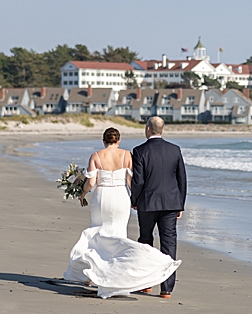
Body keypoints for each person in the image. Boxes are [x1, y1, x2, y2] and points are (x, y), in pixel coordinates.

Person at [64, 127, 181, 298]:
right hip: (120, 197)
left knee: (97, 232)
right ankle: (114, 278)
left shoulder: (96, 156)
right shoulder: (126, 155)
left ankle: (90, 273)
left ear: (104, 141)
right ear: (118, 141)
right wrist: (135, 200)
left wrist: (82, 194)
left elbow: (90, 182)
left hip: (102, 197)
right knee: (118, 235)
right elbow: (132, 181)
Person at [129, 116, 187, 299]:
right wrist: (180, 204)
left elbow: (138, 180)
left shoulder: (139, 151)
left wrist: (134, 200)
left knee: (146, 241)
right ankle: (166, 289)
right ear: (162, 130)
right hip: (170, 203)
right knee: (169, 243)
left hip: (147, 202)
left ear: (148, 129)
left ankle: (147, 285)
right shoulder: (175, 150)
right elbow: (182, 179)